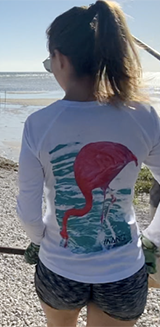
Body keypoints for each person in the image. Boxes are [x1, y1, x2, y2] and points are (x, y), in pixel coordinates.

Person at [17, 1, 160, 326]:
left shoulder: (39, 124)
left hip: (59, 272)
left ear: (61, 59)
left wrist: (40, 240)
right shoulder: (143, 116)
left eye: (49, 60)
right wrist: (154, 238)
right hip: (124, 273)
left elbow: (27, 209)